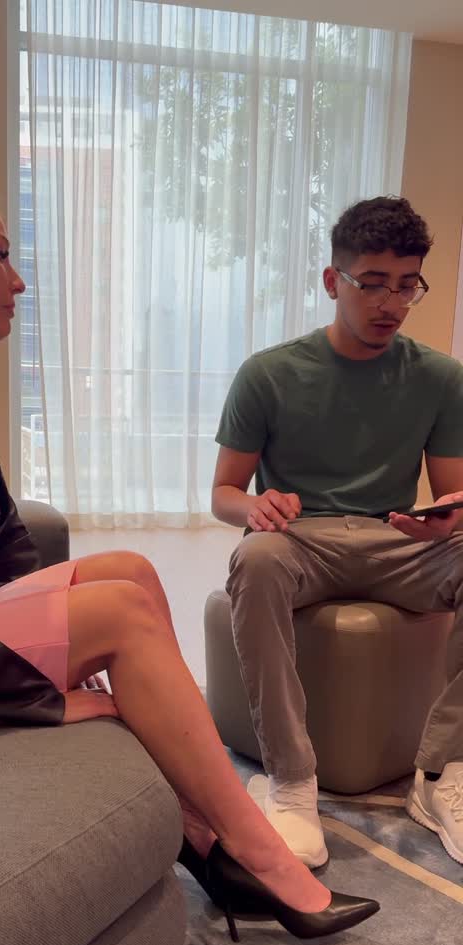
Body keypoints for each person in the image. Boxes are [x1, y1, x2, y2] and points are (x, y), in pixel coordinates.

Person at [0, 176, 378, 942]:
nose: (20, 281)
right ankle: (256, 855)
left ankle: (202, 833)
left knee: (130, 573)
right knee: (118, 612)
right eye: (1, 256)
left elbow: (6, 546)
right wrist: (46, 694)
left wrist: (65, 646)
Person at [213, 195, 463, 870]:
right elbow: (223, 494)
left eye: (407, 285)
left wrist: (444, 520)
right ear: (333, 280)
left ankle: (443, 774)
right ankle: (292, 781)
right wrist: (254, 509)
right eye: (373, 283)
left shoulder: (441, 378)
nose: (392, 303)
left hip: (395, 540)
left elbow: (452, 497)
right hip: (303, 540)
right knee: (256, 560)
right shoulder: (269, 374)